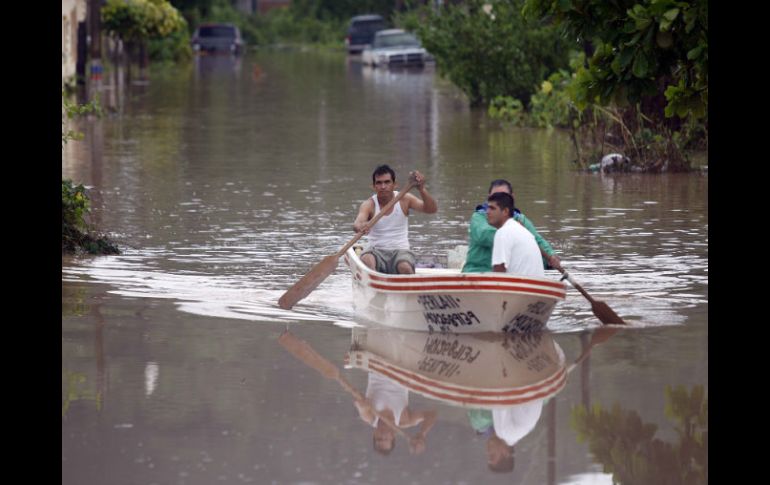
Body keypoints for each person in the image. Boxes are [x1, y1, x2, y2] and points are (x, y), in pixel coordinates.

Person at [462, 179, 561, 274]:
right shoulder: (479, 216)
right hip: (478, 271)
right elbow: (484, 235)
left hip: (509, 275)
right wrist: (512, 232)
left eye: (502, 196)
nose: (498, 200)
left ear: (511, 198)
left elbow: (537, 240)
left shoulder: (520, 219)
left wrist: (551, 256)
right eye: (495, 196)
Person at [353, 165, 438, 274]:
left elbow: (431, 209)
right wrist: (360, 226)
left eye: (387, 182)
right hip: (375, 251)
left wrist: (422, 189)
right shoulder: (369, 204)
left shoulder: (405, 199)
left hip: (400, 251)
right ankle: (376, 284)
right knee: (366, 260)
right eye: (379, 183)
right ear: (373, 186)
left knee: (405, 267)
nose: (383, 186)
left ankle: (407, 287)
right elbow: (357, 223)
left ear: (395, 184)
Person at [354, 372, 438, 455]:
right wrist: (422, 433)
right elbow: (431, 414)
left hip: (378, 368)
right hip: (400, 371)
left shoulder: (369, 417)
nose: (383, 435)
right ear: (392, 436)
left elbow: (360, 406)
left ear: (374, 434)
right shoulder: (404, 420)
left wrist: (361, 405)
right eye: (386, 439)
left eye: (379, 438)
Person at [486, 192, 544, 277]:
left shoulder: (503, 233)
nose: (487, 212)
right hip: (536, 287)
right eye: (488, 208)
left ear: (505, 211)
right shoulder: (522, 231)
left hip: (521, 288)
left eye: (492, 208)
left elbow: (498, 274)